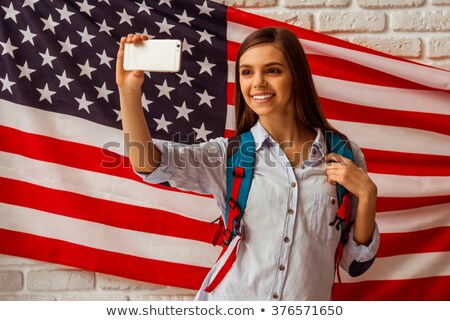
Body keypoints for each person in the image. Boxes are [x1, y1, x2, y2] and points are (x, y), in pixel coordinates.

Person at [116, 27, 380, 300]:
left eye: (273, 70)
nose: (258, 83)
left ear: (297, 76)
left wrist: (368, 194)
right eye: (247, 72)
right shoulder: (229, 156)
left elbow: (355, 263)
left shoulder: (345, 155)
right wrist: (128, 91)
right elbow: (149, 163)